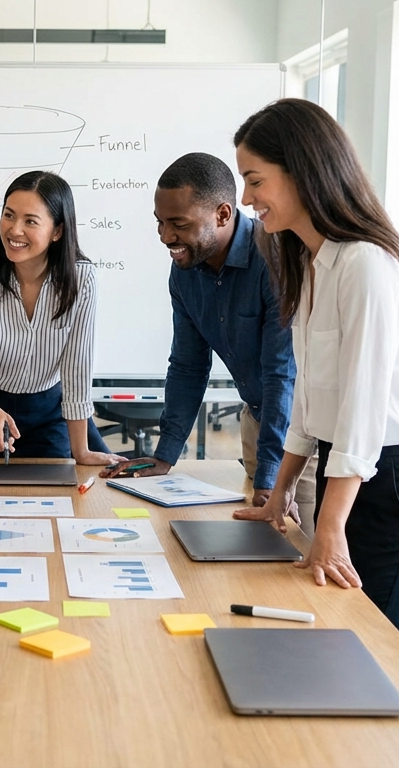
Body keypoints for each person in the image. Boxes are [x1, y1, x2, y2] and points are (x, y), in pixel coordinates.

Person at [230, 98, 399, 631]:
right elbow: (310, 401)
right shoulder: (310, 261)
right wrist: (278, 494)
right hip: (345, 473)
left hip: (393, 485)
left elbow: (361, 411)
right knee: (326, 634)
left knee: (360, 643)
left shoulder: (366, 265)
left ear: (302, 170)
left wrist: (330, 524)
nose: (246, 198)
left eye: (255, 181)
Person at [101, 152, 317, 528]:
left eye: (178, 224)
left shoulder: (274, 256)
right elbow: (188, 365)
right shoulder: (184, 271)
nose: (167, 237)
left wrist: (272, 478)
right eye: (160, 223)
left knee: (298, 556)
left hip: (304, 436)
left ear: (222, 214)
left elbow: (281, 373)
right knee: (254, 558)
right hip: (258, 420)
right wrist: (165, 454)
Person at [0, 171, 123, 465]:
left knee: (53, 500)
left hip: (48, 415)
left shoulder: (81, 279)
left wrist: (80, 451)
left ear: (57, 231)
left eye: (30, 221)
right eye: (9, 215)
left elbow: (76, 368)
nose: (15, 230)